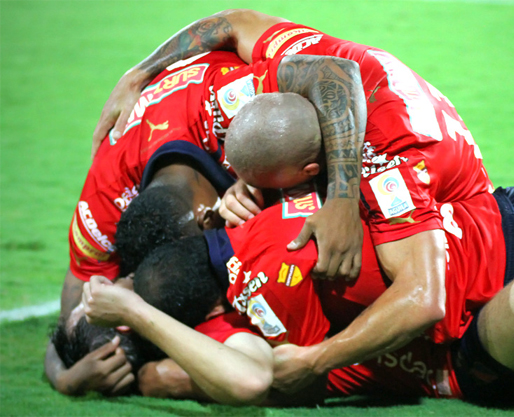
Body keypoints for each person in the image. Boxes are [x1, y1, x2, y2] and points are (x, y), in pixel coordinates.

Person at [84, 188, 514, 404]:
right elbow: (242, 380)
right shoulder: (261, 201)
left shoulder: (228, 312)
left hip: (508, 230)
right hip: (495, 309)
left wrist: (134, 315)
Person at [48, 48, 369, 395]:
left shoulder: (230, 105)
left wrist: (340, 198)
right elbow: (75, 311)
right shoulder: (102, 204)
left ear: (207, 220)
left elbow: (332, 72)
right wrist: (64, 377)